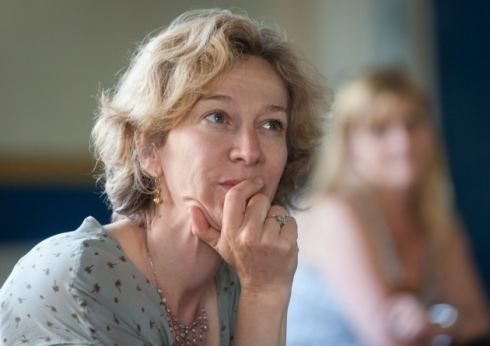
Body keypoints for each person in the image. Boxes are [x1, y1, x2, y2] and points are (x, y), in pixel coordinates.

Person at [0, 9, 327, 346]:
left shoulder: (248, 270)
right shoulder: (76, 277)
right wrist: (263, 294)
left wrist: (266, 291)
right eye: (217, 117)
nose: (249, 150)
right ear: (149, 151)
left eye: (272, 124)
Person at [287, 68, 490, 346]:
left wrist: (438, 323)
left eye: (412, 123)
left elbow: (478, 319)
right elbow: (385, 339)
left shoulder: (436, 218)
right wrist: (445, 324)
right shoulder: (335, 214)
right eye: (379, 129)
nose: (402, 142)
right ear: (349, 146)